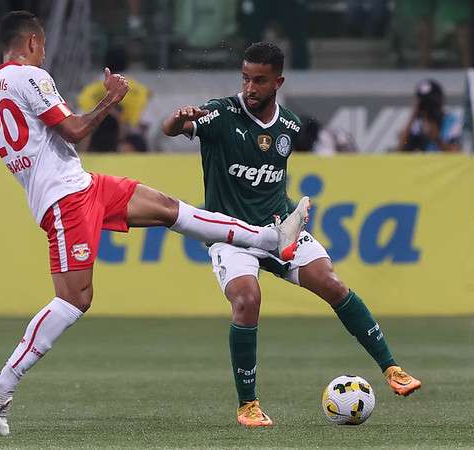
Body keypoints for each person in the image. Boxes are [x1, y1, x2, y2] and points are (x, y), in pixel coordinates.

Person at [0, 11, 310, 436]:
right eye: (44, 45)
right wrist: (112, 99)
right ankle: (3, 382)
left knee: (169, 209)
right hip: (64, 200)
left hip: (83, 185)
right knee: (75, 299)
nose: (45, 52)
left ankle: (272, 238)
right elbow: (73, 130)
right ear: (33, 41)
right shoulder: (31, 77)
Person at [161, 42, 421, 427]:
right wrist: (176, 117)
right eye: (246, 78)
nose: (250, 87)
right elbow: (171, 129)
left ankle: (392, 369)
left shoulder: (290, 126)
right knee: (247, 299)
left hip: (279, 230)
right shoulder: (219, 113)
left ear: (278, 81)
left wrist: (288, 217)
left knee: (333, 284)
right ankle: (248, 405)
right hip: (232, 236)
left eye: (260, 80)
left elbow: (270, 178)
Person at [76, 45, 151, 153]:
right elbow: (145, 124)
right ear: (127, 63)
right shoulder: (139, 91)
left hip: (93, 145)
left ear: (105, 62)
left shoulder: (89, 91)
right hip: (126, 147)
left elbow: (80, 120)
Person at [398, 78, 461, 152]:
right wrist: (412, 118)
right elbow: (400, 150)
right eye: (425, 103)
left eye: (431, 103)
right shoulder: (417, 123)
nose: (429, 107)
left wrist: (437, 139)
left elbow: (456, 153)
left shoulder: (452, 121)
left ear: (441, 100)